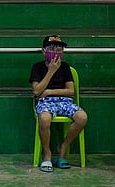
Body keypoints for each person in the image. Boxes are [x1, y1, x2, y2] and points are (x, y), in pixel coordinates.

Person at [29, 35, 88, 172]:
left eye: (59, 49)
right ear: (44, 51)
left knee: (82, 117)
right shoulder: (37, 67)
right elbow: (37, 92)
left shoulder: (65, 67)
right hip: (45, 102)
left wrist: (49, 91)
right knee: (44, 119)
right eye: (52, 48)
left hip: (64, 101)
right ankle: (47, 154)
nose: (56, 52)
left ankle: (63, 148)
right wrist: (51, 71)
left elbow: (70, 91)